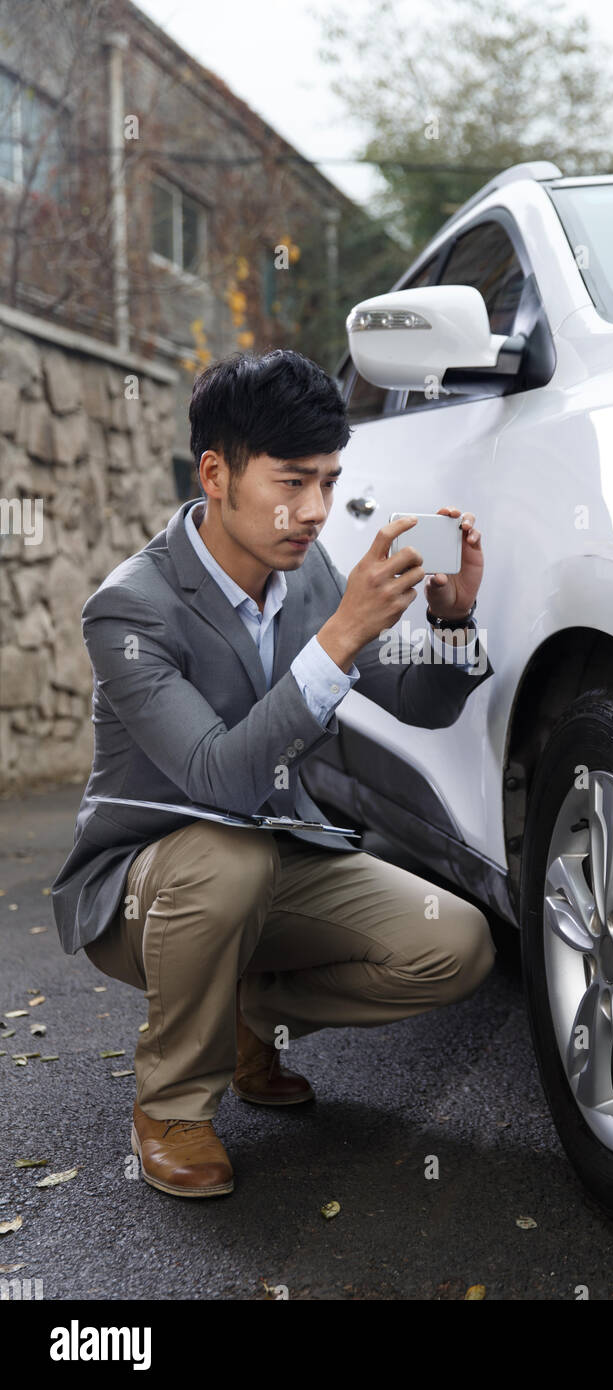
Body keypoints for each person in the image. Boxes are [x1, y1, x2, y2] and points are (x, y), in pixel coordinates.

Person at [50, 348, 496, 1199]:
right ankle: (173, 1107)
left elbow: (421, 702)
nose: (317, 511)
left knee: (457, 943)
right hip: (144, 884)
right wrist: (340, 637)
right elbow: (219, 780)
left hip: (273, 857)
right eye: (292, 483)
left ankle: (251, 1017)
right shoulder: (130, 608)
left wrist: (452, 616)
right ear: (214, 474)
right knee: (228, 858)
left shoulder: (309, 572)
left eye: (329, 483)